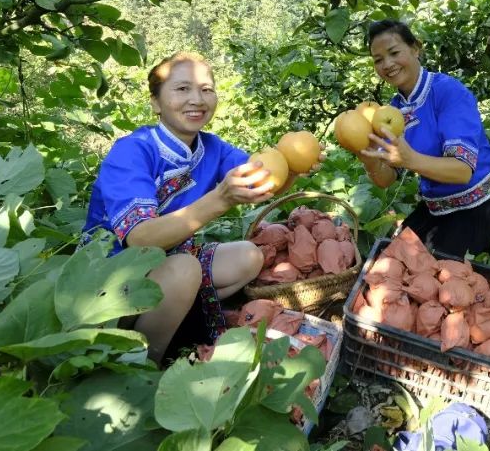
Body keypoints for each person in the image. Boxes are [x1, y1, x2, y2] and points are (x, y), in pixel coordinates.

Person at [81, 52, 321, 364]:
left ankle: (172, 314)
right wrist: (219, 200)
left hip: (169, 263)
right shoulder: (132, 151)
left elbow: (261, 183)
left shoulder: (212, 148)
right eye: (182, 89)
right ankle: (140, 363)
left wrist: (293, 168)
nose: (197, 99)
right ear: (155, 102)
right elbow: (139, 239)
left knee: (248, 256)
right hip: (110, 277)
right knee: (184, 270)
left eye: (206, 89)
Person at [360, 20, 490, 257]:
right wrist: (367, 154)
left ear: (415, 48)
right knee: (390, 262)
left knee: (436, 284)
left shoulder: (447, 91)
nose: (387, 64)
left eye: (394, 52)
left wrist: (409, 159)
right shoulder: (393, 110)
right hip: (438, 208)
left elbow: (462, 170)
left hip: (483, 208)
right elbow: (386, 180)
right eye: (378, 59)